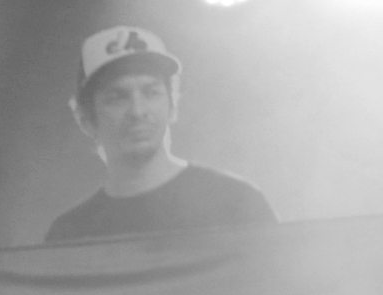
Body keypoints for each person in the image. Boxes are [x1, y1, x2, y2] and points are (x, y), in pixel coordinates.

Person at [45, 25, 275, 242]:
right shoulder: (68, 235)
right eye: (117, 97)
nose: (138, 111)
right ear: (86, 120)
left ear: (172, 105)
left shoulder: (237, 202)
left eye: (151, 92)